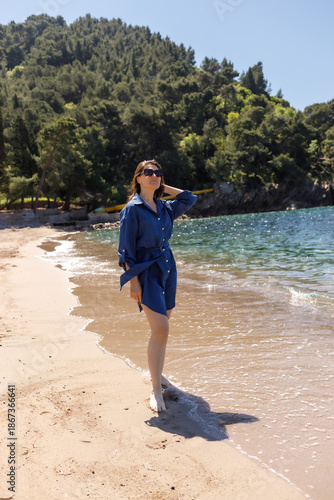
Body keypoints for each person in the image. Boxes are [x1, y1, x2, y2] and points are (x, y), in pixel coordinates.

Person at [118, 160, 197, 412]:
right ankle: (154, 391)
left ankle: (157, 374)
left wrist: (163, 186)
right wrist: (134, 283)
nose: (154, 176)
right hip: (146, 272)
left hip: (168, 269)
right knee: (161, 329)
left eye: (158, 173)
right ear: (138, 178)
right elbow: (125, 252)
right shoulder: (132, 209)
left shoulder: (164, 207)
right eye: (148, 173)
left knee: (161, 331)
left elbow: (189, 198)